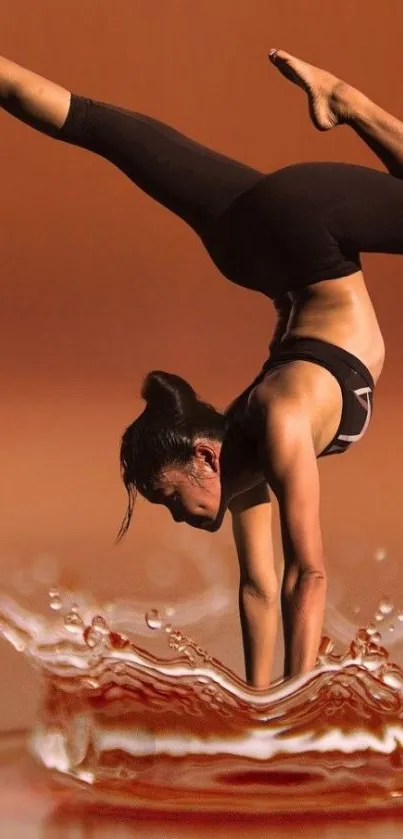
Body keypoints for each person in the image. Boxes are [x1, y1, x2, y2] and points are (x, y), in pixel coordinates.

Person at [1, 48, 402, 689]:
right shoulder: (244, 467)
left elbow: (309, 574)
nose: (178, 518)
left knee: (103, 131)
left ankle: (347, 102)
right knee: (98, 126)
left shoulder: (277, 418)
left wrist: (293, 716)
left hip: (307, 233)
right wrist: (259, 701)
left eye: (168, 499)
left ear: (205, 457)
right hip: (249, 242)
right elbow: (259, 589)